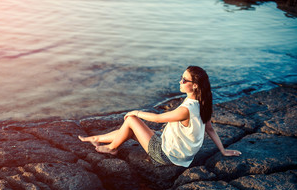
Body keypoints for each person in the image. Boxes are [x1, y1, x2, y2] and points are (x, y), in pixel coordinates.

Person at [79, 66, 241, 167]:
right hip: (180, 152)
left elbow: (157, 119)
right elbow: (210, 129)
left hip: (166, 155)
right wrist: (223, 150)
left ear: (195, 85)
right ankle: (97, 138)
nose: (180, 81)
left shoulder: (186, 109)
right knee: (130, 130)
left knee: (131, 121)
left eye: (184, 80)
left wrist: (135, 112)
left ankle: (112, 148)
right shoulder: (203, 103)